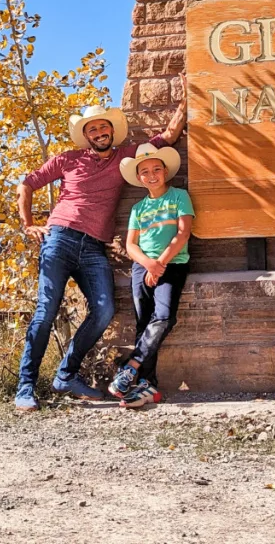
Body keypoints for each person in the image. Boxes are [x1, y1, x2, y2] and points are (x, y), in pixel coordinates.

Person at [13, 80, 187, 412]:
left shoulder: (126, 157)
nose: (99, 132)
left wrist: (189, 98)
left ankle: (66, 374)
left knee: (104, 309)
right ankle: (26, 387)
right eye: (92, 128)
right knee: (45, 312)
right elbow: (27, 183)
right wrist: (28, 224)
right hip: (59, 239)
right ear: (87, 135)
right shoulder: (67, 159)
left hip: (94, 248)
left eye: (103, 126)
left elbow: (166, 138)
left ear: (111, 131)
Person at [107, 142, 194, 408]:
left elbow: (183, 233)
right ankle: (148, 386)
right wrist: (148, 264)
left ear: (166, 171)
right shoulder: (138, 209)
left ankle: (131, 366)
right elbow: (130, 245)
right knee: (144, 323)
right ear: (139, 177)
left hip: (173, 264)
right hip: (141, 268)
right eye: (145, 171)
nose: (152, 174)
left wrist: (161, 264)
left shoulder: (179, 196)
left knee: (164, 317)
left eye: (157, 168)